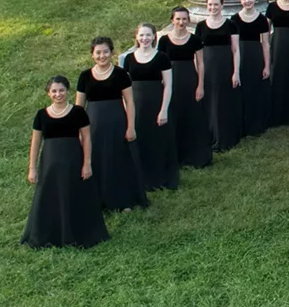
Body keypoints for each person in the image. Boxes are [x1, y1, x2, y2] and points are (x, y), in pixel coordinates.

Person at [23, 76, 109, 249]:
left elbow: (86, 138)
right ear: (48, 93)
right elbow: (36, 143)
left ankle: (78, 233)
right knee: (49, 198)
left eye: (61, 90)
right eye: (54, 91)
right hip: (50, 165)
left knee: (75, 196)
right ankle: (50, 234)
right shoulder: (41, 115)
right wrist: (32, 168)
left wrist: (87, 163)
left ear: (67, 91)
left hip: (73, 162)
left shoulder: (78, 113)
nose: (58, 94)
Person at [75, 37, 148, 212]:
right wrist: (77, 131)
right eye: (98, 52)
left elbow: (130, 101)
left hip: (117, 123)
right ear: (92, 55)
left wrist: (131, 127)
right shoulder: (85, 76)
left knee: (118, 160)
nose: (102, 56)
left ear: (112, 52)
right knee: (96, 159)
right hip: (94, 125)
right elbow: (79, 108)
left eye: (106, 52)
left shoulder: (121, 74)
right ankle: (97, 202)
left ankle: (123, 201)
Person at [122, 22, 178, 192]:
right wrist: (126, 109)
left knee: (157, 141)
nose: (145, 38)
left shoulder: (161, 57)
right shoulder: (129, 59)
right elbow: (125, 87)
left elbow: (168, 85)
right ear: (136, 37)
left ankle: (159, 177)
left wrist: (163, 109)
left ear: (154, 36)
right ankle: (141, 178)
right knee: (139, 140)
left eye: (148, 35)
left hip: (156, 104)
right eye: (141, 35)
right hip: (136, 105)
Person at [158, 7, 212, 169]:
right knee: (175, 116)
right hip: (171, 81)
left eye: (184, 19)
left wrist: (200, 85)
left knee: (192, 116)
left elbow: (201, 63)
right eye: (178, 19)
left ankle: (195, 155)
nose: (181, 22)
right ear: (172, 20)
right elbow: (161, 64)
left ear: (188, 20)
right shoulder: (164, 41)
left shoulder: (195, 39)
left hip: (190, 80)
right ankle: (176, 156)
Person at [195, 0, 242, 152]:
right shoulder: (200, 26)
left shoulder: (230, 25)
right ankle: (210, 136)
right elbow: (197, 53)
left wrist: (236, 72)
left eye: (216, 4)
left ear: (222, 5)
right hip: (208, 68)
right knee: (209, 101)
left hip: (225, 67)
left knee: (224, 101)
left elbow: (235, 50)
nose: (213, 7)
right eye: (210, 5)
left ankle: (226, 136)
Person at [233, 0, 271, 137]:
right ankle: (243, 124)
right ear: (240, 0)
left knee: (256, 90)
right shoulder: (234, 20)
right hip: (241, 56)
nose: (247, 1)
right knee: (242, 91)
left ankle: (256, 124)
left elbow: (266, 43)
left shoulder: (262, 20)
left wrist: (267, 65)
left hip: (256, 56)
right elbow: (234, 46)